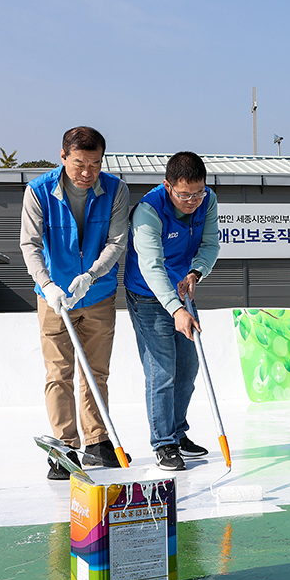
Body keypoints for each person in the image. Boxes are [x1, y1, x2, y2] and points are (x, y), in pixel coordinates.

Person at [21, 126, 130, 480]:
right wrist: (48, 285)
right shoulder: (39, 191)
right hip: (54, 299)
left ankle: (98, 442)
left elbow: (116, 242)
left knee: (96, 372)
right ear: (63, 157)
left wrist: (91, 276)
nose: (87, 173)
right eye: (80, 163)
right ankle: (64, 447)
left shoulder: (115, 190)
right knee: (59, 374)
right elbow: (30, 245)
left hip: (98, 295)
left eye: (95, 164)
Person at [124, 152, 220, 471]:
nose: (192, 200)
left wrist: (196, 272)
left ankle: (178, 433)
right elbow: (151, 266)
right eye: (184, 194)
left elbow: (210, 245)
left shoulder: (208, 201)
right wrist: (176, 309)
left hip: (181, 289)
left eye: (198, 192)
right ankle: (163, 443)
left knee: (189, 366)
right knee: (162, 370)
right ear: (168, 186)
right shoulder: (148, 211)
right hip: (148, 295)